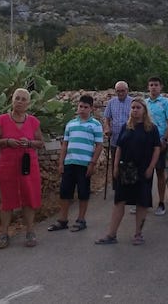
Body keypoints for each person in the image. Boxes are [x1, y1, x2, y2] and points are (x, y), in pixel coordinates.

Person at [95, 100, 162, 246]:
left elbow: (157, 149)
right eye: (133, 107)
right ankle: (111, 234)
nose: (135, 110)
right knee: (119, 201)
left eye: (138, 107)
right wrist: (115, 167)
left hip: (143, 170)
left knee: (141, 202)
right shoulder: (126, 127)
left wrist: (151, 167)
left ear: (144, 110)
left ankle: (138, 234)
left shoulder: (151, 129)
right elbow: (119, 147)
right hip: (125, 169)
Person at [0, 88, 46, 248]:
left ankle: (30, 232)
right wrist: (7, 142)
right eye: (17, 98)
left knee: (29, 197)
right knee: (7, 198)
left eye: (23, 99)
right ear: (12, 100)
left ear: (28, 103)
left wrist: (29, 143)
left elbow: (40, 142)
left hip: (28, 165)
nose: (19, 101)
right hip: (8, 165)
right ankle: (4, 234)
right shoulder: (2, 120)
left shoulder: (33, 121)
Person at [49, 95, 103, 233]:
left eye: (86, 107)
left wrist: (92, 163)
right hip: (70, 162)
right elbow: (65, 144)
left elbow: (99, 145)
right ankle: (63, 220)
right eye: (80, 106)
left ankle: (81, 219)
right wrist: (61, 162)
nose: (82, 109)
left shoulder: (95, 125)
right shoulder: (71, 124)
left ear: (91, 108)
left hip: (84, 164)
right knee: (65, 192)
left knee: (83, 192)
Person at [146, 76, 168, 216]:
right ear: (148, 87)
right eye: (151, 85)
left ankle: (161, 202)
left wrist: (165, 139)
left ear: (160, 87)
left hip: (160, 142)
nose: (153, 87)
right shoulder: (145, 103)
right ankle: (144, 200)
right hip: (145, 143)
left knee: (159, 172)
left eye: (156, 85)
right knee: (145, 172)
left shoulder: (166, 103)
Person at [102, 81, 132, 159]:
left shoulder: (133, 102)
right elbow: (107, 118)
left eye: (123, 91)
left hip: (130, 138)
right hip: (115, 138)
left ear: (127, 90)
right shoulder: (111, 102)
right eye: (118, 91)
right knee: (115, 161)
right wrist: (107, 128)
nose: (120, 93)